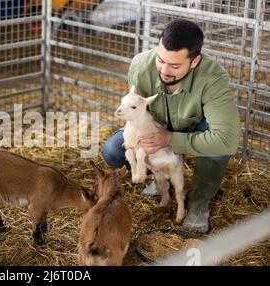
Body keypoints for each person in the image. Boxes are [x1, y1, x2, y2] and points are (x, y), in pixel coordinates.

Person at [101, 19, 241, 233]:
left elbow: (227, 140)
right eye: (160, 60)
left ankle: (199, 203)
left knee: (218, 150)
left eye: (175, 66)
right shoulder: (140, 66)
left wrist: (171, 139)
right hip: (155, 125)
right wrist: (142, 137)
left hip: (193, 125)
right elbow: (136, 110)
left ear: (194, 62)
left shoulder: (212, 77)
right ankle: (160, 177)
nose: (164, 70)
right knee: (113, 151)